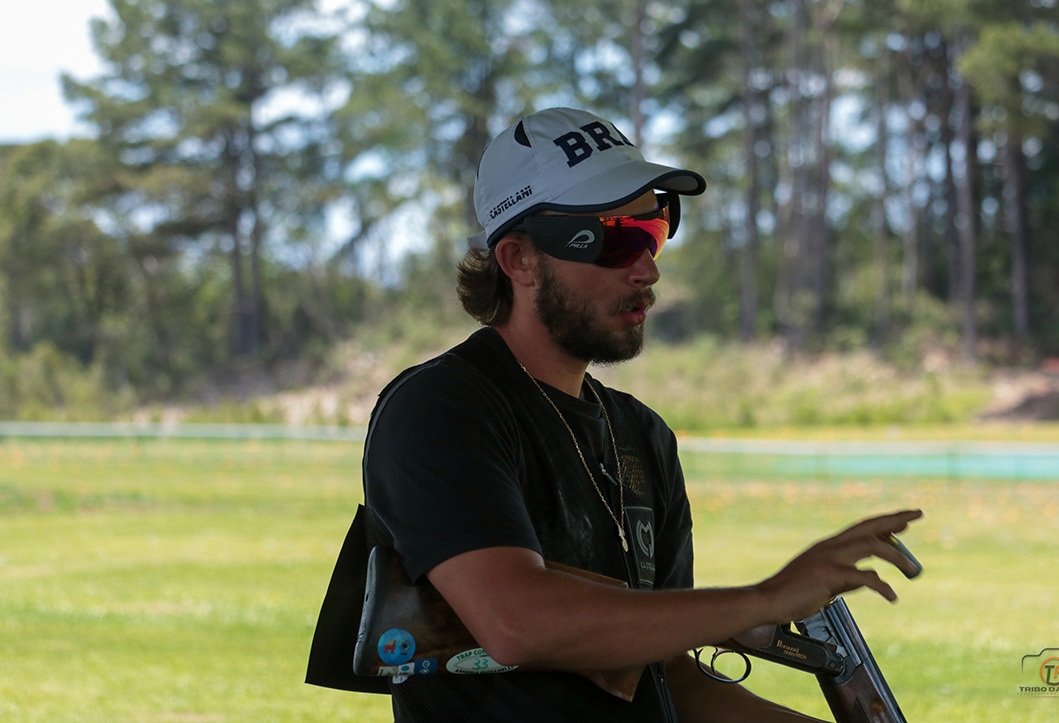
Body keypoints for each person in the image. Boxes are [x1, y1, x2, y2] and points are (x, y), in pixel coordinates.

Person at [361, 107, 922, 722]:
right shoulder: (441, 407)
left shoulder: (641, 434)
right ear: (518, 259)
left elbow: (668, 676)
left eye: (654, 229)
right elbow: (516, 622)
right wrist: (767, 598)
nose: (648, 268)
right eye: (616, 237)